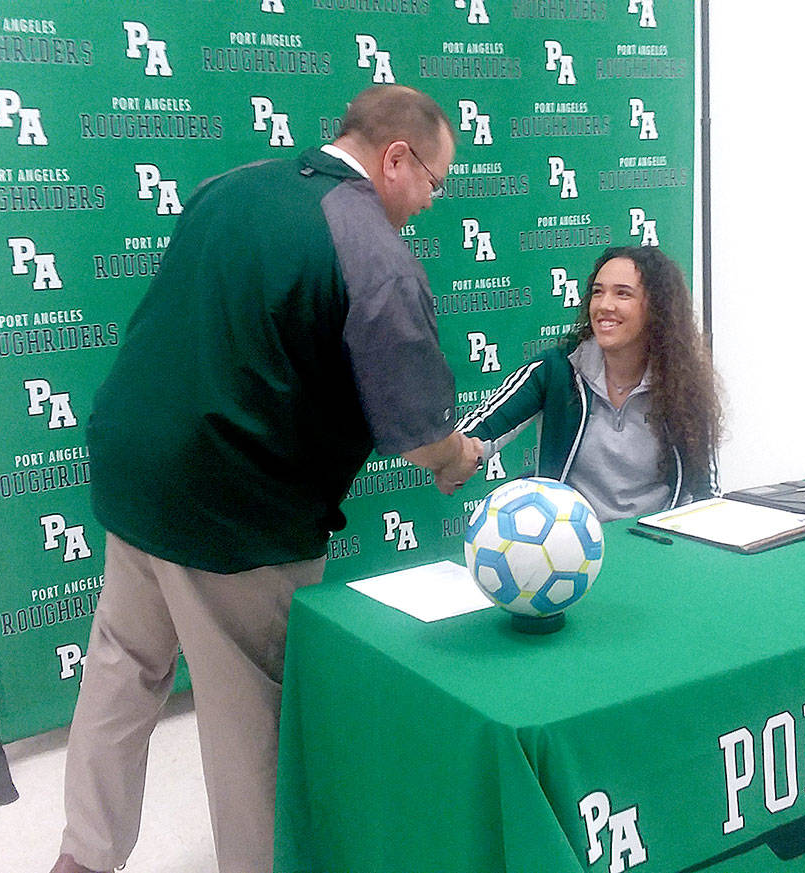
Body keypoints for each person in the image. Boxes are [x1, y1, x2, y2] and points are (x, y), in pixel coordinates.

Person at [49, 85, 482, 873]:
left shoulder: (232, 186)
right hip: (235, 508)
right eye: (436, 181)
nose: (429, 202)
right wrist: (459, 460)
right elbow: (420, 431)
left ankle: (83, 856)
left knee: (121, 671)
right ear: (396, 158)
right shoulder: (372, 246)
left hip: (134, 473)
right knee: (251, 720)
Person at [458, 246, 722, 521]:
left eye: (623, 293)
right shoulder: (557, 369)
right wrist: (454, 455)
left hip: (658, 541)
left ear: (657, 307)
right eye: (598, 292)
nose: (604, 305)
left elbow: (706, 490)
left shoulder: (684, 384)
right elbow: (480, 429)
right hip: (569, 542)